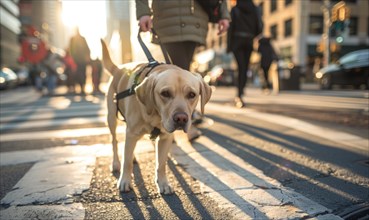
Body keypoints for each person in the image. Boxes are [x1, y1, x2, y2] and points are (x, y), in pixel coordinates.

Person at [136, 0, 230, 141]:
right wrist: (143, 12)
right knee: (180, 69)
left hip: (195, 17)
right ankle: (175, 125)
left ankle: (173, 124)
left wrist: (224, 14)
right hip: (168, 16)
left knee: (183, 71)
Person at [227, 0, 263, 108]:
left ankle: (239, 94)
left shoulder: (235, 9)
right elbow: (259, 27)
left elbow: (230, 29)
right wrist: (252, 34)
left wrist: (229, 46)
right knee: (244, 68)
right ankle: (241, 92)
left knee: (240, 67)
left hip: (237, 41)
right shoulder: (255, 9)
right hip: (249, 41)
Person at [69, 28, 90, 95]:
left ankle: (82, 88)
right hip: (76, 60)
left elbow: (87, 49)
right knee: (76, 74)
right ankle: (75, 88)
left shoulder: (82, 38)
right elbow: (71, 50)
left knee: (83, 74)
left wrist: (87, 57)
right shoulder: (72, 39)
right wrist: (72, 59)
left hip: (82, 61)